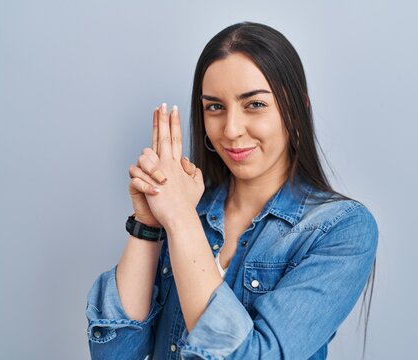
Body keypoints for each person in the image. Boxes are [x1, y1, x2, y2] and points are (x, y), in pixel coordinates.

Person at [86, 21, 379, 360]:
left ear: (297, 111)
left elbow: (253, 355)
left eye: (254, 104)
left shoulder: (342, 229)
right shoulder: (185, 207)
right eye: (215, 107)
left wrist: (180, 219)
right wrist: (147, 225)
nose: (231, 129)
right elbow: (115, 355)